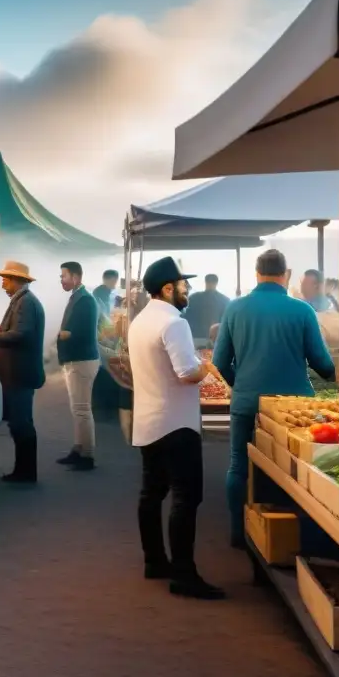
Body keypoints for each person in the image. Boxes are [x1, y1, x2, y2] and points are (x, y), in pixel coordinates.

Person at [212, 250, 336, 549]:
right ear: (287, 274)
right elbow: (322, 363)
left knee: (238, 466)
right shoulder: (302, 310)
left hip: (246, 402)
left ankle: (237, 532)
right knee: (292, 470)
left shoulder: (235, 309)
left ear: (256, 273)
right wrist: (334, 372)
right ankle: (289, 537)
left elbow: (219, 361)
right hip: (294, 408)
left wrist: (239, 383)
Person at [127, 256, 224, 600]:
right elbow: (186, 373)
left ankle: (155, 561)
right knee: (187, 496)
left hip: (149, 420)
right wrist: (208, 367)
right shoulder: (174, 322)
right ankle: (184, 574)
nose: (189, 290)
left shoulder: (140, 321)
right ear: (168, 288)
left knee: (151, 493)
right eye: (184, 284)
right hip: (176, 424)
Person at [0, 261, 45, 484]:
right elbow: (19, 331)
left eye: (5, 279)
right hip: (19, 372)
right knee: (20, 422)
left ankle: (26, 473)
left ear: (17, 280)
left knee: (21, 423)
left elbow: (22, 335)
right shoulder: (22, 301)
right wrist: (1, 330)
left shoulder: (25, 303)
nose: (2, 283)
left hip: (19, 373)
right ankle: (24, 470)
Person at [56, 262, 100, 471]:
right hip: (75, 360)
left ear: (76, 277)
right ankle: (78, 448)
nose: (61, 279)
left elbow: (83, 332)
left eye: (63, 276)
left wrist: (63, 334)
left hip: (81, 361)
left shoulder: (86, 300)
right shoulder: (78, 297)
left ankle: (88, 455)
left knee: (82, 409)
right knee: (77, 409)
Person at [183, 273, 230, 341]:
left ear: (205, 282)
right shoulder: (224, 300)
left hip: (197, 336)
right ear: (216, 283)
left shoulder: (194, 298)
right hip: (216, 337)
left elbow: (187, 317)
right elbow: (226, 321)